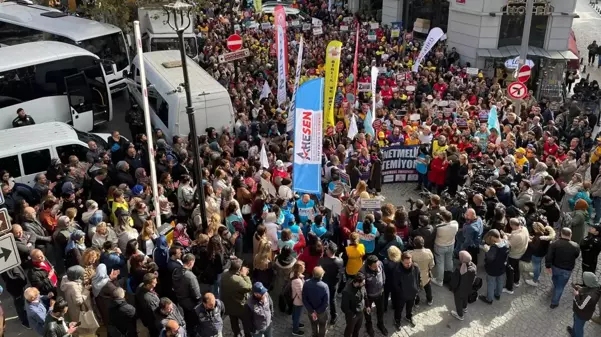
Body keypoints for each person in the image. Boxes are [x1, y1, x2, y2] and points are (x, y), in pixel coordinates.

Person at [546, 228, 581, 309]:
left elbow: (549, 256)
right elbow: (576, 255)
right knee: (560, 287)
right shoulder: (575, 246)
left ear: (561, 234)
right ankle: (554, 303)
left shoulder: (554, 244)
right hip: (567, 270)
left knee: (554, 278)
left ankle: (555, 286)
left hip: (555, 267)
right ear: (571, 235)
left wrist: (548, 266)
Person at [59, 265, 98, 336]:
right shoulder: (73, 287)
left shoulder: (66, 279)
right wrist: (86, 290)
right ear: (76, 275)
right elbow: (78, 301)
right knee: (82, 324)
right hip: (78, 311)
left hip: (72, 308)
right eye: (81, 274)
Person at [220, 258, 252, 337]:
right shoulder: (238, 280)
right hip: (239, 307)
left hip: (228, 305)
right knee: (245, 321)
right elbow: (249, 287)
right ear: (239, 268)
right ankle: (247, 334)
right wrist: (244, 275)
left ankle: (237, 334)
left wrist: (239, 274)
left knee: (233, 321)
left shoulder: (224, 273)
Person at [172, 253, 201, 336]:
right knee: (193, 322)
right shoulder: (190, 276)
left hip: (181, 300)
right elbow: (196, 294)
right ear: (191, 262)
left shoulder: (176, 271)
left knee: (187, 319)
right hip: (191, 303)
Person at [359, 255, 387, 336]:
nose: (377, 268)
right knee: (368, 312)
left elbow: (383, 274)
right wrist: (366, 302)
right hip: (369, 297)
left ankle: (380, 324)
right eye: (374, 267)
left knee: (380, 310)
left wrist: (383, 285)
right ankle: (369, 325)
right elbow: (362, 288)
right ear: (369, 266)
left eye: (378, 266)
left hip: (380, 293)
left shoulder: (380, 264)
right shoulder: (362, 272)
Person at [480, 229, 510, 304]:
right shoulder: (506, 243)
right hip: (502, 267)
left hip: (493, 269)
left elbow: (490, 258)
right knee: (500, 281)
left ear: (493, 237)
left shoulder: (494, 248)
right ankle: (497, 294)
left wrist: (487, 250)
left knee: (491, 283)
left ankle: (489, 299)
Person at [567, 272, 601, 337]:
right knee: (576, 323)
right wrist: (581, 289)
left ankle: (576, 334)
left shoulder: (590, 296)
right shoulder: (596, 286)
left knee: (579, 329)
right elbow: (589, 289)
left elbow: (581, 306)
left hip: (582, 315)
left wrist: (576, 295)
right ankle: (574, 334)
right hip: (579, 312)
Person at [317, 242, 343, 325]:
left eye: (327, 248)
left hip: (324, 282)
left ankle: (321, 315)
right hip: (333, 283)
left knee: (322, 299)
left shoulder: (322, 261)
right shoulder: (340, 261)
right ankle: (334, 316)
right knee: (332, 300)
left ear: (329, 251)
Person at [392, 252, 420, 329]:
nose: (408, 264)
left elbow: (418, 278)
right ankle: (397, 320)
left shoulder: (416, 267)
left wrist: (417, 288)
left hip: (412, 293)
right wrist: (400, 293)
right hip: (402, 295)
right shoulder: (398, 270)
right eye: (406, 263)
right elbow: (395, 284)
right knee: (399, 309)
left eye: (410, 262)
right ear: (401, 261)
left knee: (410, 307)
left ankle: (408, 316)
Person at [432, 210, 458, 286]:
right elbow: (452, 222)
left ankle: (439, 280)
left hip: (440, 246)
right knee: (449, 261)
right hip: (451, 245)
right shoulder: (455, 224)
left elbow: (435, 229)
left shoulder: (439, 228)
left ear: (442, 218)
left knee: (440, 263)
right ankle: (449, 275)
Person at [503, 218, 529, 294]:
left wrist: (505, 238)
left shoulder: (517, 236)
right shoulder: (524, 229)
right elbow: (515, 237)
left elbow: (508, 245)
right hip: (521, 252)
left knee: (510, 271)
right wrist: (509, 235)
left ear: (512, 225)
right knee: (516, 267)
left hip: (514, 254)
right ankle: (516, 281)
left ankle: (509, 288)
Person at [302, 266, 329, 337]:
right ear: (321, 275)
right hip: (321, 312)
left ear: (313, 274)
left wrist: (312, 311)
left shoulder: (306, 283)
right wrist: (317, 311)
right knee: (322, 325)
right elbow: (326, 302)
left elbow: (304, 299)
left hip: (311, 311)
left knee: (313, 324)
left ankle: (314, 335)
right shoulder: (324, 286)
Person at [449, 251, 477, 321]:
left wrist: (452, 288)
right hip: (468, 288)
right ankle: (465, 308)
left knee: (458, 301)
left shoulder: (460, 269)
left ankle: (460, 315)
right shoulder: (474, 266)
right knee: (465, 298)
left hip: (459, 290)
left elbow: (455, 281)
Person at [407, 236, 434, 306]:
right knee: (428, 288)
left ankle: (416, 302)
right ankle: (430, 300)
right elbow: (432, 265)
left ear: (414, 244)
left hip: (414, 275)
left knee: (415, 290)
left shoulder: (410, 254)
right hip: (426, 275)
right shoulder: (429, 252)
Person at [135, 273, 161, 337]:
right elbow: (155, 312)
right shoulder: (148, 298)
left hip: (147, 318)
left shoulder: (141, 285)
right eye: (154, 283)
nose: (156, 283)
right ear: (148, 284)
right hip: (152, 321)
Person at [340, 273, 366, 337]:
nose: (364, 284)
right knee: (349, 330)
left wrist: (367, 305)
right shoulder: (347, 292)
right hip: (352, 315)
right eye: (362, 283)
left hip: (361, 312)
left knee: (357, 329)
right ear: (357, 282)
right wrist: (352, 315)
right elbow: (344, 307)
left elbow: (365, 294)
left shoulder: (361, 285)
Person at [290, 261, 306, 336]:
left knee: (295, 314)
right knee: (297, 315)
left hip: (295, 299)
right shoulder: (298, 281)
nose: (305, 268)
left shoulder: (293, 274)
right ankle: (295, 330)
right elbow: (300, 294)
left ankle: (295, 324)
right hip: (298, 301)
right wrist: (305, 301)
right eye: (303, 267)